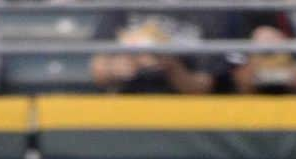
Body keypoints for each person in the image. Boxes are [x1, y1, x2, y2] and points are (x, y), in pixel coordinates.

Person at [89, 8, 239, 95]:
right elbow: (98, 72)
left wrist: (170, 65)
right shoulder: (124, 5)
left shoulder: (212, 11)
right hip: (129, 104)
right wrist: (118, 67)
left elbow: (202, 87)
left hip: (184, 112)